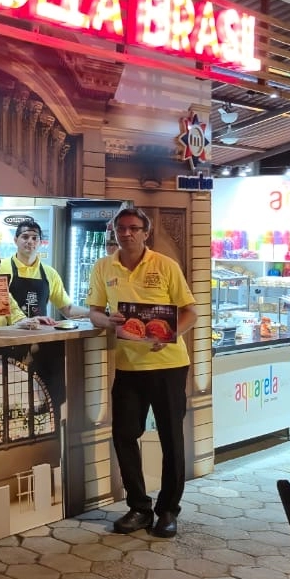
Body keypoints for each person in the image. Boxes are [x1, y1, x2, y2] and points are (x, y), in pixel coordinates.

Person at [87, 206, 197, 539]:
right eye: (121, 228)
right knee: (124, 435)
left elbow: (190, 312)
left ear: (145, 233)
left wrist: (171, 334)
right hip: (128, 366)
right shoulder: (103, 267)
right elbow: (94, 311)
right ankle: (139, 507)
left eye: (134, 228)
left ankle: (168, 510)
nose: (127, 233)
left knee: (171, 439)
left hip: (168, 365)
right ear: (114, 232)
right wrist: (108, 321)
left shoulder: (165, 265)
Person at [0, 219, 90, 325]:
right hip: (9, 333)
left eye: (35, 238)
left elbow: (68, 309)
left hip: (40, 333)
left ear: (40, 243)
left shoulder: (50, 273)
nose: (30, 241)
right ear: (15, 240)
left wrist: (92, 313)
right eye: (25, 237)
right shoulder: (0, 267)